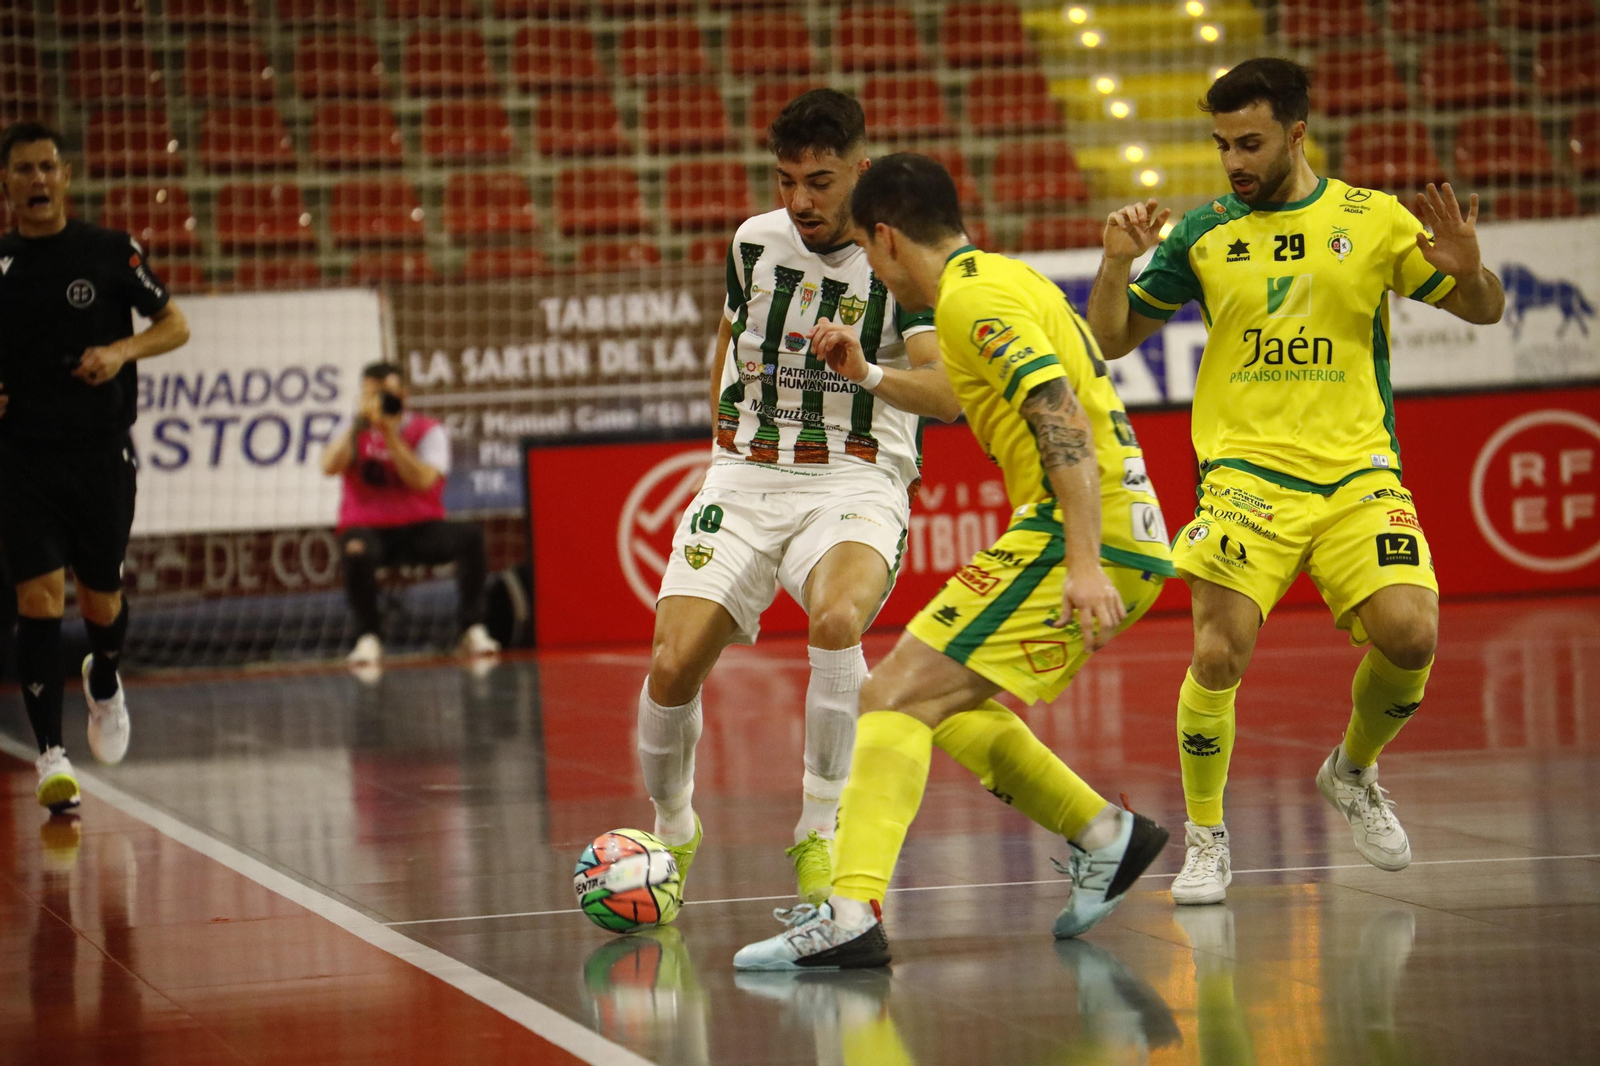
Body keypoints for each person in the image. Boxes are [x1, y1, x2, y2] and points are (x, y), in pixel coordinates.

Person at [734, 154, 1174, 970]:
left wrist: (1083, 563)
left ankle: (850, 911)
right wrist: (868, 373)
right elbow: (958, 398)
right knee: (934, 699)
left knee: (891, 697)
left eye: (867, 248)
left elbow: (1058, 415)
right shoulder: (1009, 282)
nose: (868, 265)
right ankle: (1106, 835)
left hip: (1079, 533)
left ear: (888, 238)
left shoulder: (971, 303)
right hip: (1098, 528)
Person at [1083, 58, 1506, 905]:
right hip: (1244, 475)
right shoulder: (1202, 233)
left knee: (1413, 635)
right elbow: (1115, 338)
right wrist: (1115, 263)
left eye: (1250, 142)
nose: (1233, 161)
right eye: (1221, 144)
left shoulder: (1371, 219)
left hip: (1357, 472)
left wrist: (1466, 271)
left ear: (1297, 133)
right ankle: (1206, 841)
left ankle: (1352, 771)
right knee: (1215, 650)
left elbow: (1485, 310)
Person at [641, 90, 963, 906]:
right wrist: (721, 419)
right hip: (746, 477)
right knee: (673, 663)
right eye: (786, 180)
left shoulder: (901, 255)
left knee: (837, 619)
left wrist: (868, 372)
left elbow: (949, 393)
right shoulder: (754, 242)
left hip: (855, 478)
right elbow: (731, 331)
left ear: (860, 169)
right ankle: (672, 828)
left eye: (819, 181)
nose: (800, 201)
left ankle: (819, 832)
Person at [0, 121, 191, 812]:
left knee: (100, 598)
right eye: (24, 170)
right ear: (7, 185)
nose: (38, 181)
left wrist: (119, 351)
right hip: (21, 458)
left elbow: (175, 324)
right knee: (37, 598)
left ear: (67, 177)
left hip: (100, 456)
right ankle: (53, 754)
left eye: (48, 167)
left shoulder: (110, 252)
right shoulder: (0, 263)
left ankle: (104, 676)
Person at [321, 362, 500, 666]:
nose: (379, 400)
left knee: (470, 537)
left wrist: (390, 435)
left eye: (386, 393)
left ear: (403, 394)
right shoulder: (350, 428)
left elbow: (422, 480)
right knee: (354, 550)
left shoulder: (428, 430)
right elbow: (329, 466)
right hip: (367, 527)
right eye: (371, 394)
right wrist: (359, 425)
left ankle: (472, 628)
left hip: (419, 526)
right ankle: (368, 637)